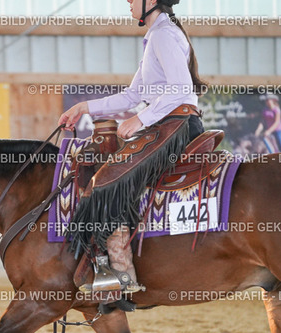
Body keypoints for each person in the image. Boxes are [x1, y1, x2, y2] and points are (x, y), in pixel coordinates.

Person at [57, 0, 207, 296]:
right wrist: (84, 107)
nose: (128, 1)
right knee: (110, 176)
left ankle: (119, 276)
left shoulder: (163, 34)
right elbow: (132, 95)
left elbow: (179, 88)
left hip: (176, 126)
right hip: (169, 124)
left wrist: (141, 119)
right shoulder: (158, 35)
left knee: (107, 182)